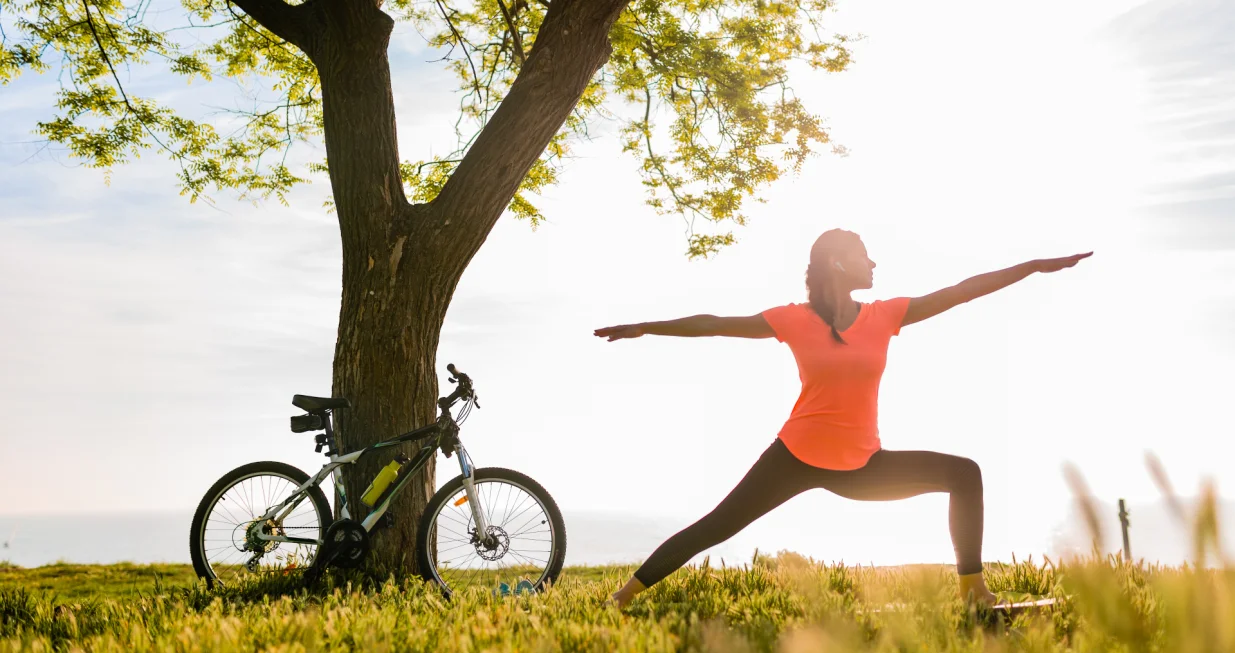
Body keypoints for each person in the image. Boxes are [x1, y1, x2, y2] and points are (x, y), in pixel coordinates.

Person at [594, 229, 1092, 608]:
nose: (873, 262)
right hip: (794, 457)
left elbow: (961, 291)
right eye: (862, 254)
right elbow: (716, 325)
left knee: (965, 474)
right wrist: (646, 327)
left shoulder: (885, 316)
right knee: (716, 528)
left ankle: (974, 592)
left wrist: (1031, 266)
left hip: (862, 467)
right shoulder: (793, 319)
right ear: (837, 262)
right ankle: (621, 598)